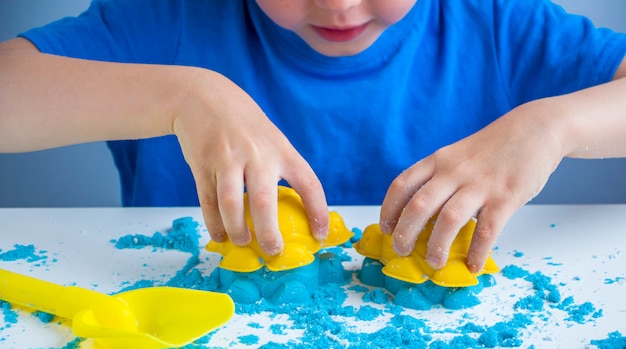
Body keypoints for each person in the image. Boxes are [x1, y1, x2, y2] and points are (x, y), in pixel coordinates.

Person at [1, 0, 625, 275]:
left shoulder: (495, 24)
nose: (339, 4)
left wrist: (555, 124)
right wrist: (184, 96)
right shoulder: (170, 17)